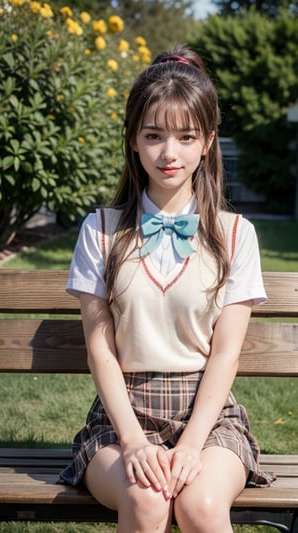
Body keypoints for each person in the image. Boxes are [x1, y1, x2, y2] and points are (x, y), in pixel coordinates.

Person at [60, 44, 275, 533]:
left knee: (199, 505)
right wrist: (135, 442)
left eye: (186, 136)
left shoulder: (236, 234)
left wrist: (192, 445)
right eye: (153, 135)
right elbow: (101, 350)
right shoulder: (100, 230)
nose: (169, 153)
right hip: (121, 420)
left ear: (208, 143)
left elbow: (225, 355)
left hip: (209, 419)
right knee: (149, 499)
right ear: (133, 141)